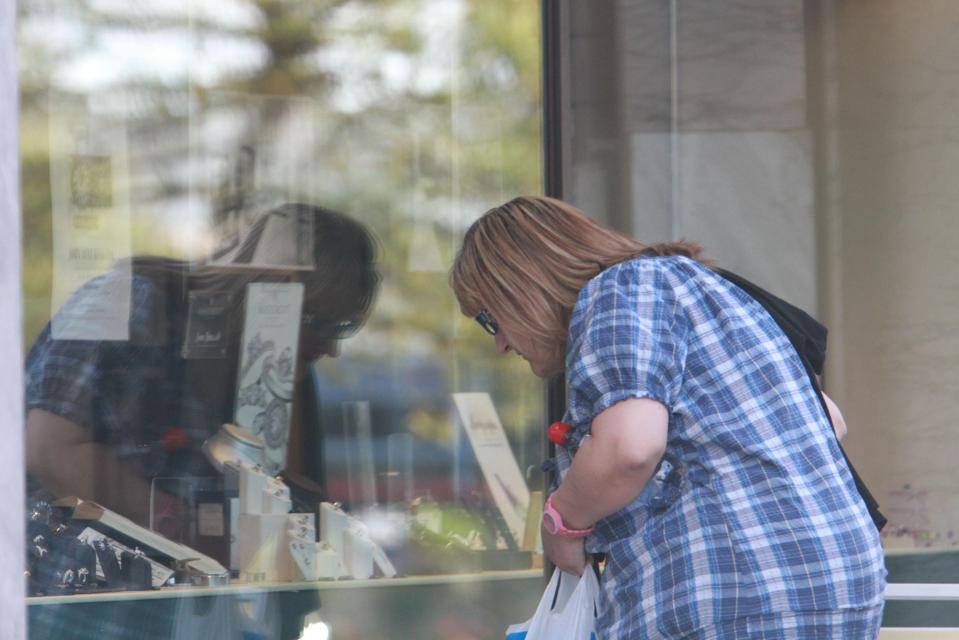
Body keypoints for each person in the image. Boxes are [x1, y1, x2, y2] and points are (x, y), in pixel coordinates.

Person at [450, 196, 885, 639]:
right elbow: (829, 418)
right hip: (829, 581)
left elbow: (629, 448)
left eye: (490, 319)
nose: (500, 343)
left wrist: (561, 520)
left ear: (522, 285)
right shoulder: (703, 289)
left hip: (734, 596)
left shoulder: (618, 290)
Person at [24, 202, 379, 528]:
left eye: (344, 329)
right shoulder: (128, 301)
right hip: (80, 588)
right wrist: (183, 528)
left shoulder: (267, 369)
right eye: (323, 324)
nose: (331, 348)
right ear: (266, 290)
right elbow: (49, 451)